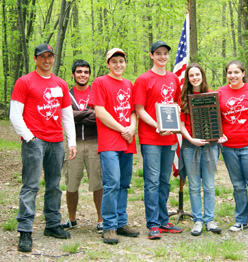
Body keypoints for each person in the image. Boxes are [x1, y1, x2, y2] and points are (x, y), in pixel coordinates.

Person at [10, 43, 77, 252]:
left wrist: (71, 141)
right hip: (34, 141)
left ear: (53, 58)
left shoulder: (60, 84)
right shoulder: (25, 82)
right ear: (35, 59)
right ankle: (25, 230)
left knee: (54, 184)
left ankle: (52, 224)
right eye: (42, 57)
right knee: (31, 185)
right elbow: (15, 113)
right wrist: (29, 137)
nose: (47, 60)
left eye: (50, 56)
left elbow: (67, 114)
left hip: (56, 141)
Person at [88, 48, 139, 245]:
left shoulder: (129, 84)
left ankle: (120, 222)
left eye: (122, 61)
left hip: (127, 140)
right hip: (110, 140)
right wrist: (122, 129)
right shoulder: (100, 82)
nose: (119, 65)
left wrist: (131, 128)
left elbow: (133, 110)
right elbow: (100, 112)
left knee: (124, 183)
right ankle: (108, 226)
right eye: (114, 61)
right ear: (108, 64)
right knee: (112, 183)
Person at [134, 41, 183, 240]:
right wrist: (157, 125)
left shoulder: (174, 78)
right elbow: (139, 109)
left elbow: (177, 105)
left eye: (165, 54)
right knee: (152, 182)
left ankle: (163, 220)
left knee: (164, 181)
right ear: (151, 55)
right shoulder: (143, 79)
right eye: (158, 53)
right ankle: (153, 223)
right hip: (151, 138)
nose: (162, 57)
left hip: (169, 137)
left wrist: (171, 125)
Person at [218, 60, 248, 237]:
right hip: (229, 146)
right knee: (238, 185)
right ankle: (241, 221)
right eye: (229, 73)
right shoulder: (220, 93)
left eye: (236, 72)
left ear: (243, 73)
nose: (232, 76)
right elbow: (217, 118)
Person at [178, 63, 225, 236]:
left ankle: (210, 220)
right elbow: (181, 125)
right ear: (188, 78)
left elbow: (219, 121)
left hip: (210, 146)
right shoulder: (183, 98)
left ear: (202, 76)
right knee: (194, 185)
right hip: (190, 146)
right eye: (191, 75)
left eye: (197, 74)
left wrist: (219, 136)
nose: (195, 78)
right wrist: (191, 139)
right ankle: (197, 220)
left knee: (209, 185)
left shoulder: (212, 95)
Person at [61, 60, 103, 233]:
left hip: (95, 142)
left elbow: (99, 116)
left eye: (86, 72)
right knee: (72, 182)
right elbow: (64, 115)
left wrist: (76, 115)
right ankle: (72, 219)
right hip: (73, 143)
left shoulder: (96, 92)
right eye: (79, 72)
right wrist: (89, 113)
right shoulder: (67, 94)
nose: (83, 75)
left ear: (89, 74)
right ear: (73, 74)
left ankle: (101, 220)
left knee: (98, 182)